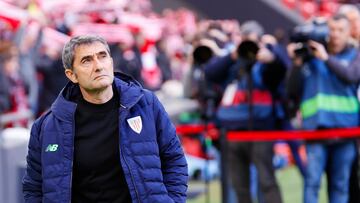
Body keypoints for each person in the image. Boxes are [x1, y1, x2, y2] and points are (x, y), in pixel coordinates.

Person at [22, 35, 188, 203]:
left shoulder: (146, 104)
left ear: (111, 61)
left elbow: (174, 159)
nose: (98, 66)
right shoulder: (46, 127)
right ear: (72, 75)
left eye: (102, 56)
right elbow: (34, 187)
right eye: (87, 61)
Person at [205, 21, 286, 203]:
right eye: (244, 41)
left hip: (261, 129)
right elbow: (210, 73)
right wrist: (232, 56)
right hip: (233, 130)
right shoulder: (233, 60)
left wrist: (271, 58)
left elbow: (282, 71)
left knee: (266, 181)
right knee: (239, 185)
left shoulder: (267, 60)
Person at [287, 14, 358, 203]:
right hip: (316, 131)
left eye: (340, 30)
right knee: (312, 183)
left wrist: (326, 59)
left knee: (339, 185)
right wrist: (296, 64)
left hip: (346, 131)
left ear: (349, 31)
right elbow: (291, 90)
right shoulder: (310, 56)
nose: (335, 34)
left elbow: (351, 75)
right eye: (332, 29)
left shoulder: (354, 54)